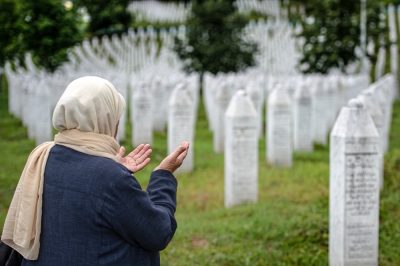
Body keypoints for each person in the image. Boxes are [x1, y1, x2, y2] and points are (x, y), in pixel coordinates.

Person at [1, 76, 189, 266]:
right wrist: (163, 175)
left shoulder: (44, 154)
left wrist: (112, 169)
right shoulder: (109, 177)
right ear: (105, 118)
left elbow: (83, 194)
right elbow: (157, 232)